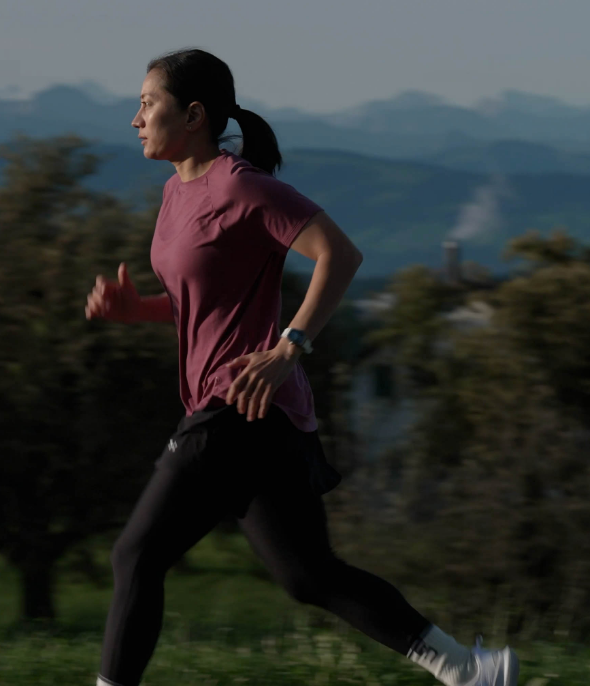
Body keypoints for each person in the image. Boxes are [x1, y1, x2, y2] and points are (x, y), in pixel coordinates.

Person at [84, 48, 518, 686]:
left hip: (238, 406)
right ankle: (470, 669)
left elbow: (339, 255)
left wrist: (290, 347)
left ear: (195, 114)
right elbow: (201, 307)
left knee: (136, 555)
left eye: (148, 102)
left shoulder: (242, 186)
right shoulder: (178, 194)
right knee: (308, 575)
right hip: (256, 417)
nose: (136, 118)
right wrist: (140, 311)